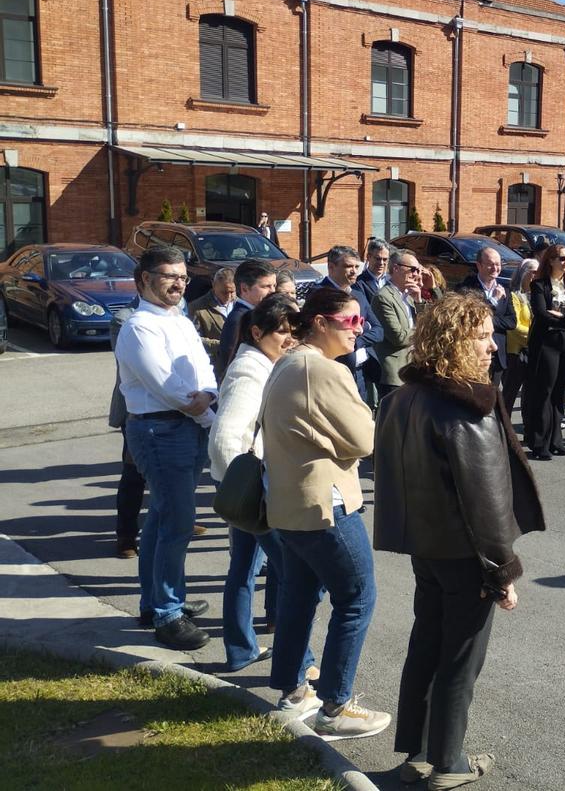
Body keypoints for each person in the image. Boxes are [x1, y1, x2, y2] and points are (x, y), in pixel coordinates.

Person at [373, 292, 545, 790]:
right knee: (460, 658)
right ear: (453, 342)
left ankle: (421, 754)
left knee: (427, 643)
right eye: (481, 336)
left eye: (492, 335)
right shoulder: (467, 405)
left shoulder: (403, 397)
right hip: (466, 553)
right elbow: (485, 498)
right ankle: (448, 764)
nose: (492, 346)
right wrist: (501, 572)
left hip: (426, 549)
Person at [262, 287, 389, 739]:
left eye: (360, 322)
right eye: (349, 322)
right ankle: (336, 706)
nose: (359, 330)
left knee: (299, 596)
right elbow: (365, 438)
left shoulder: (288, 362)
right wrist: (342, 443)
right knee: (357, 596)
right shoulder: (322, 370)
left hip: (289, 504)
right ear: (319, 322)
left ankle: (295, 691)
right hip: (325, 504)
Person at [115, 246, 217, 651]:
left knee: (161, 519)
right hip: (159, 432)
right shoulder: (139, 327)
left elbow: (203, 370)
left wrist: (207, 396)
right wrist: (205, 410)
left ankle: (154, 602)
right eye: (169, 276)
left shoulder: (180, 319)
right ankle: (167, 613)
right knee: (176, 523)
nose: (179, 283)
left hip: (186, 429)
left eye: (183, 277)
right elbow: (172, 391)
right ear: (143, 279)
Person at [208, 293, 314, 674]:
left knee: (244, 570)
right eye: (281, 332)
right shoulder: (249, 373)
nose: (289, 339)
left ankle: (240, 651)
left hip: (252, 495)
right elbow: (223, 438)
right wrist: (240, 492)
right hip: (258, 498)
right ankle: (299, 664)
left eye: (294, 332)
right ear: (256, 331)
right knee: (296, 576)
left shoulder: (264, 365)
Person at [524, 244, 565, 460]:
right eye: (562, 258)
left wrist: (564, 317)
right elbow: (541, 313)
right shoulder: (539, 285)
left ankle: (555, 440)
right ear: (550, 260)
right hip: (547, 344)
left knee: (560, 393)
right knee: (545, 392)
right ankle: (538, 443)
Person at [318, 245, 384, 404]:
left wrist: (357, 341)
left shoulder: (358, 295)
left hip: (360, 374)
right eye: (348, 266)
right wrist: (364, 329)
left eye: (356, 266)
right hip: (334, 372)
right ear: (331, 268)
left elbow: (378, 330)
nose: (354, 271)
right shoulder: (320, 294)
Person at [107, 297, 147, 559]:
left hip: (176, 410)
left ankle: (180, 521)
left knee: (175, 473)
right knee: (134, 475)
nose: (178, 284)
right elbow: (139, 364)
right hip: (135, 411)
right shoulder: (125, 318)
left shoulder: (179, 311)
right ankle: (126, 537)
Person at [457, 247, 517, 387]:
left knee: (492, 396)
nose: (495, 268)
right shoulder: (466, 288)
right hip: (475, 354)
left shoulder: (504, 289)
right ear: (479, 265)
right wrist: (494, 301)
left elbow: (511, 322)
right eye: (490, 264)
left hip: (497, 353)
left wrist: (488, 323)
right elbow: (471, 319)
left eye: (498, 264)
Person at [373, 250, 424, 397]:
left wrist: (418, 302)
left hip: (412, 369)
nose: (416, 274)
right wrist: (422, 332)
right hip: (394, 374)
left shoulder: (409, 296)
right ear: (395, 268)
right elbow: (398, 337)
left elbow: (426, 322)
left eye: (418, 270)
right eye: (413, 269)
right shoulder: (384, 297)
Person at [216, 259, 278, 381]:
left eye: (274, 285)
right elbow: (231, 363)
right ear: (244, 288)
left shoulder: (255, 315)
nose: (273, 291)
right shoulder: (239, 320)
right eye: (266, 286)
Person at [502, 258, 539, 416]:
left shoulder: (537, 295)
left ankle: (528, 430)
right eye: (533, 272)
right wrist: (537, 337)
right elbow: (514, 327)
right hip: (516, 353)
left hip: (533, 351)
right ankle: (504, 430)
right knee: (509, 396)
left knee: (531, 396)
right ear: (524, 273)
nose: (537, 276)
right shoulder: (513, 296)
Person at [189, 266, 236, 366]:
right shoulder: (197, 307)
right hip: (215, 364)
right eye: (224, 292)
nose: (228, 297)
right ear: (214, 286)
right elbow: (193, 340)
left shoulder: (240, 304)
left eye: (232, 292)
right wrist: (222, 345)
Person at [356, 237, 391, 305]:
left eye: (385, 259)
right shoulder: (359, 282)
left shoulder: (392, 281)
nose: (381, 263)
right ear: (368, 257)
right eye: (378, 259)